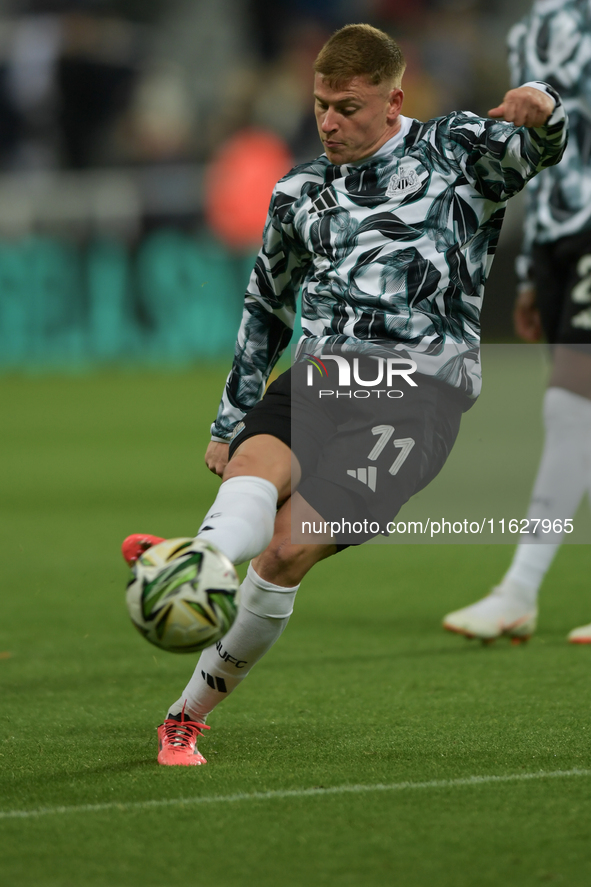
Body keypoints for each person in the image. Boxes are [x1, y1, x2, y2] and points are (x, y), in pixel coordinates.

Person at [127, 23, 566, 765]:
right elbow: (266, 305)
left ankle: (186, 709)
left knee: (287, 553)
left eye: (347, 107)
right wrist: (230, 417)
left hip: (416, 396)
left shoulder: (455, 150)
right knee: (252, 474)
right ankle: (197, 564)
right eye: (321, 104)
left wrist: (543, 104)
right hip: (320, 377)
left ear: (393, 101)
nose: (328, 122)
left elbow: (544, 146)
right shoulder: (300, 191)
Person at [443, 0, 591, 646]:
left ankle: (519, 588)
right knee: (574, 411)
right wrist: (530, 265)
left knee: (570, 402)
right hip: (559, 233)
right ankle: (519, 592)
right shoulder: (525, 29)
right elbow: (543, 149)